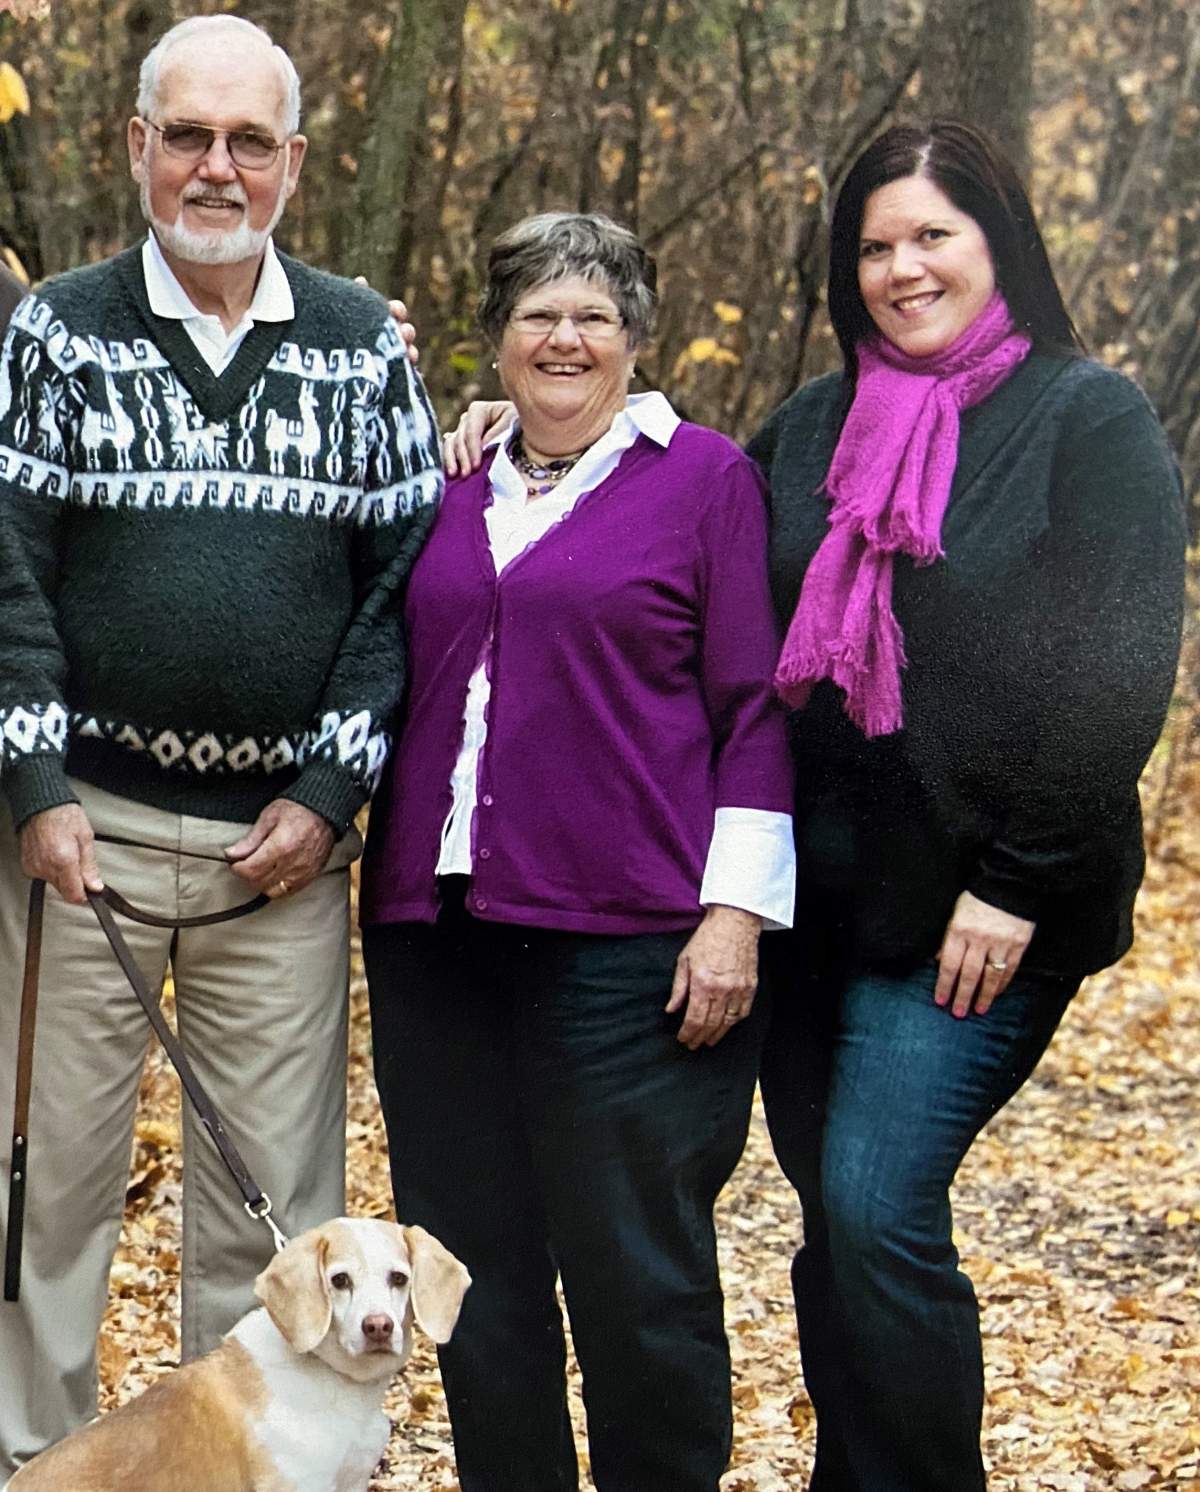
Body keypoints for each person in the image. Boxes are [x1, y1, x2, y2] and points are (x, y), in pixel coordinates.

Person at [442, 122, 1185, 1491]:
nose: (904, 269)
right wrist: (531, 428)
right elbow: (669, 503)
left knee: (874, 1203)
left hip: (980, 913)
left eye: (933, 236)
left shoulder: (1085, 419)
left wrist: (1017, 881)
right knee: (836, 1228)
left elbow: (1121, 668)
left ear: (999, 243)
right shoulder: (815, 424)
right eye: (876, 246)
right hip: (823, 912)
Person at [0, 14, 441, 1476]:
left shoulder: (362, 344)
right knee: (46, 1194)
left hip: (282, 859)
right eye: (187, 134)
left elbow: (402, 588)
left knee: (273, 1224)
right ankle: (38, 1465)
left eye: (250, 140)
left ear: (294, 163)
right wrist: (33, 782)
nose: (216, 166)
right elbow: (9, 570)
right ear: (138, 145)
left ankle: (246, 1472)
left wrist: (330, 790)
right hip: (83, 838)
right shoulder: (59, 332)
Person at [359, 210, 795, 1492]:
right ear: (495, 342)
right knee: (475, 1283)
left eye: (593, 316)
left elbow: (756, 707)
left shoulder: (704, 480)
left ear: (634, 339)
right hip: (438, 941)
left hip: (626, 947)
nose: (565, 339)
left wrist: (735, 916)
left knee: (634, 1279)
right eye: (537, 315)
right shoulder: (447, 482)